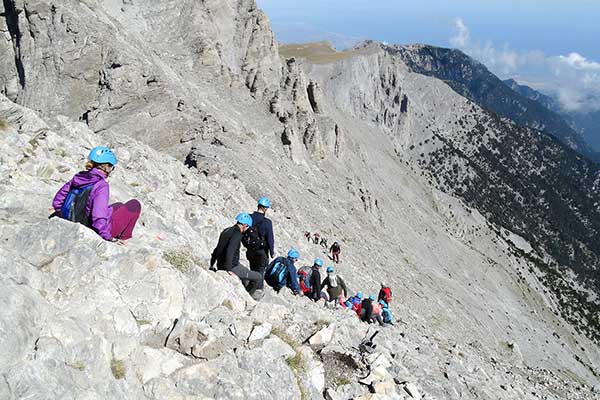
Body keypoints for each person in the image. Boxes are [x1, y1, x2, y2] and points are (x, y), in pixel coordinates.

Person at [52, 146, 141, 243]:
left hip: (73, 218)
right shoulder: (101, 185)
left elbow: (57, 201)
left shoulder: (79, 177)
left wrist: (63, 215)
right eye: (111, 167)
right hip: (91, 227)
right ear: (106, 167)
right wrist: (109, 237)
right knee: (135, 204)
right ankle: (124, 238)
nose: (111, 170)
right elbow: (98, 216)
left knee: (118, 205)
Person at [210, 213, 264, 300]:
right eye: (247, 227)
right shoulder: (237, 234)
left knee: (246, 272)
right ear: (245, 225)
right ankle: (247, 297)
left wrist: (212, 264)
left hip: (220, 264)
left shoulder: (226, 231)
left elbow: (217, 249)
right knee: (258, 276)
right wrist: (228, 270)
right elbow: (230, 251)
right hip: (233, 266)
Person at [244, 196, 275, 283]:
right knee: (260, 272)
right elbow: (270, 239)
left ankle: (250, 287)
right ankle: (257, 290)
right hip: (262, 251)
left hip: (250, 250)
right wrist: (272, 252)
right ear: (265, 209)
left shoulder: (249, 217)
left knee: (252, 269)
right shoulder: (267, 222)